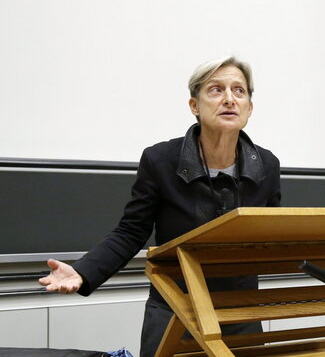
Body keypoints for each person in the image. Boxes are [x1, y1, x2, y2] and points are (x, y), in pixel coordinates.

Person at [38, 57, 282, 357]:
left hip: (239, 314)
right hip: (175, 312)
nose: (229, 99)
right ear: (194, 105)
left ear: (249, 108)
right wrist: (83, 271)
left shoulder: (267, 165)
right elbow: (130, 231)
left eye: (239, 91)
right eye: (216, 90)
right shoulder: (160, 161)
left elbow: (275, 241)